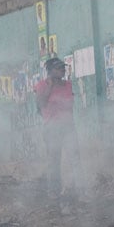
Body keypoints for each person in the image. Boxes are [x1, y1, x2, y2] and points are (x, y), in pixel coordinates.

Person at [34, 57, 74, 199]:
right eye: (59, 68)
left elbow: (70, 106)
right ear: (50, 71)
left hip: (68, 126)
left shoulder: (68, 84)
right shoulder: (42, 85)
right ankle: (54, 191)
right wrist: (50, 87)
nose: (63, 71)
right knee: (54, 161)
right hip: (52, 128)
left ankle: (76, 188)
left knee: (74, 157)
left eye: (63, 68)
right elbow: (41, 105)